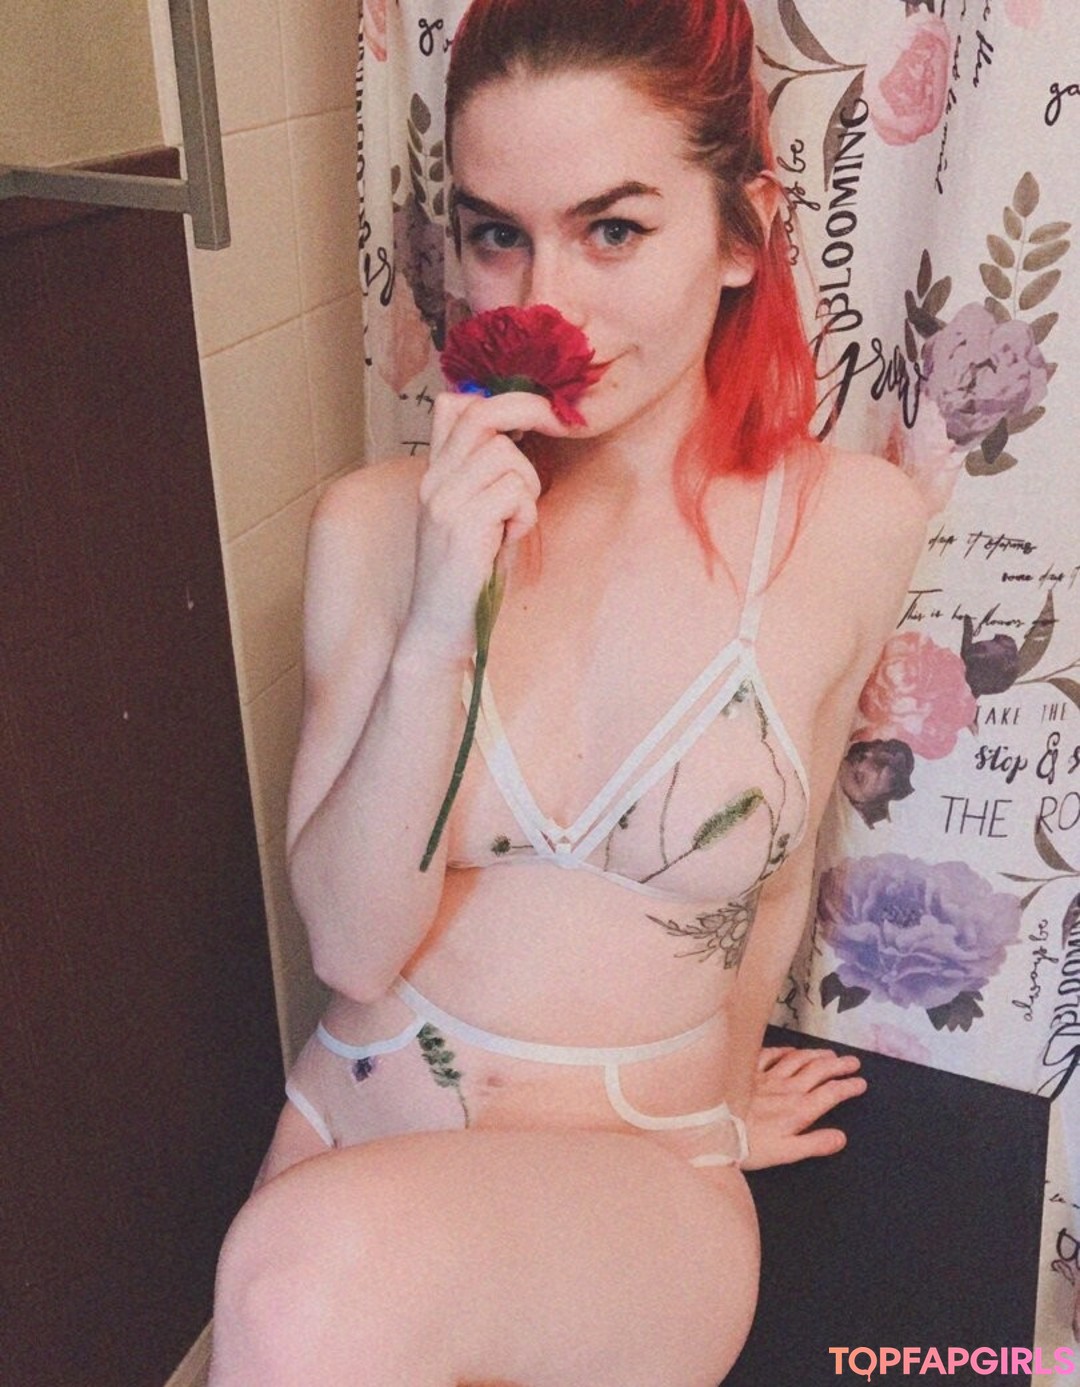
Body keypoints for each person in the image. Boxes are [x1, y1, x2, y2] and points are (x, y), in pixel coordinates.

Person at [209, 1, 926, 1382]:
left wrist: (720, 1100)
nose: (546, 302)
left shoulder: (851, 528)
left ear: (742, 233)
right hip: (358, 1120)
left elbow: (773, 890)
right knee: (298, 1289)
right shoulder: (376, 524)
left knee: (301, 1287)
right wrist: (440, 621)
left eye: (613, 230)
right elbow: (352, 949)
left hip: (631, 1172)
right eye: (498, 235)